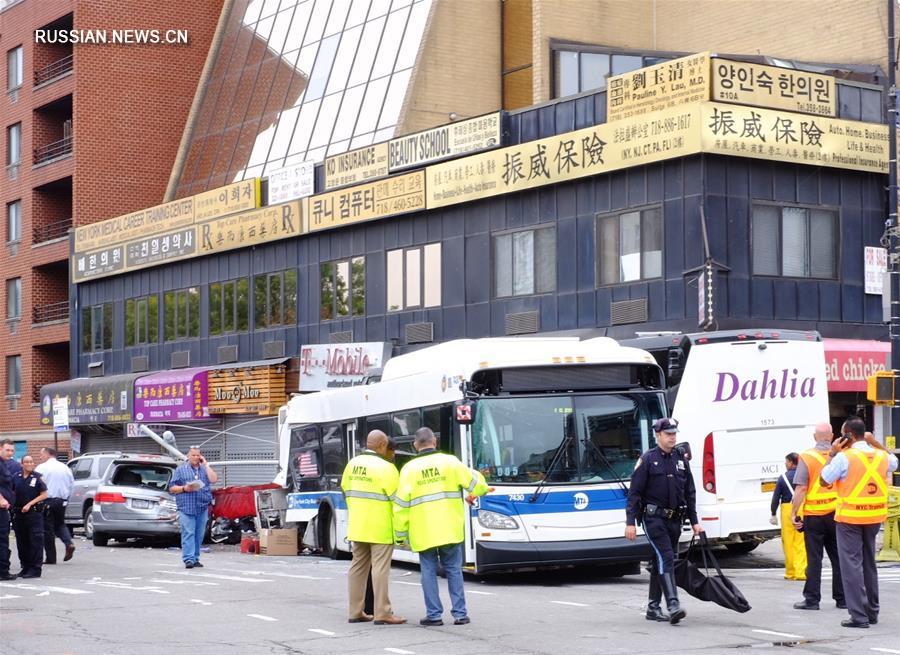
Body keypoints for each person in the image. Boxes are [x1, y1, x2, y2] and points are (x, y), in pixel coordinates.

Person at [393, 427, 491, 627]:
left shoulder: (409, 469)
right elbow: (478, 486)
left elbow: (401, 506)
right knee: (454, 570)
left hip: (423, 531)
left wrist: (400, 535)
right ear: (435, 441)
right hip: (449, 528)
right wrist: (478, 479)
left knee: (428, 572)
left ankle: (434, 615)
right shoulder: (451, 462)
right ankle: (460, 614)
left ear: (415, 445)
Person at [821, 417, 898, 628]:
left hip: (850, 519)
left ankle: (859, 616)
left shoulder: (843, 457)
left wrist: (832, 453)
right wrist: (875, 442)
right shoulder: (881, 455)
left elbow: (824, 480)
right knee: (868, 564)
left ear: (848, 435)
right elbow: (895, 462)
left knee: (851, 567)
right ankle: (872, 612)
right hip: (874, 517)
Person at [625, 418, 701, 625]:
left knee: (660, 560)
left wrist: (694, 521)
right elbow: (634, 493)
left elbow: (689, 491)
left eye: (674, 434)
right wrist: (630, 522)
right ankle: (673, 605)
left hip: (675, 520)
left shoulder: (680, 458)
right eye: (668, 434)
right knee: (666, 557)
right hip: (653, 519)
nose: (672, 438)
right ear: (658, 435)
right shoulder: (648, 459)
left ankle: (653, 607)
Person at [341, 430, 405, 625]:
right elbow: (398, 502)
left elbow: (345, 490)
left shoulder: (352, 464)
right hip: (380, 527)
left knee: (357, 567)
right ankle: (382, 612)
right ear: (382, 445)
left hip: (358, 525)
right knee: (380, 570)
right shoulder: (387, 468)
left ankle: (355, 611)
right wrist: (401, 531)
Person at [790, 423, 845, 611]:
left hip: (813, 516)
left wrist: (793, 513)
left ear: (815, 437)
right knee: (838, 558)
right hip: (836, 514)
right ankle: (842, 599)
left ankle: (812, 600)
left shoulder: (806, 457)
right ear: (832, 436)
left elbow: (801, 488)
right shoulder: (842, 456)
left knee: (814, 559)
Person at [168, 446, 218, 569]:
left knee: (199, 534)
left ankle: (195, 558)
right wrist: (184, 488)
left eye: (198, 455)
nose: (195, 457)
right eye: (193, 455)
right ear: (188, 456)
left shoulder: (204, 469)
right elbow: (172, 488)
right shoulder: (181, 470)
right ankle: (188, 559)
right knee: (188, 532)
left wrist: (206, 465)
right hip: (186, 506)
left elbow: (213, 479)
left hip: (202, 506)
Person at [35, 447, 75, 564]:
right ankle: (69, 543)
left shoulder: (41, 468)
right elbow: (72, 485)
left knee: (47, 530)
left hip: (47, 501)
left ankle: (51, 557)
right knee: (60, 524)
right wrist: (66, 499)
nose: (40, 457)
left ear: (48, 454)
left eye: (41, 454)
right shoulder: (65, 468)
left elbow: (37, 484)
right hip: (61, 501)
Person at [769, 452, 806, 580]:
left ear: (790, 462)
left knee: (788, 541)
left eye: (786, 462)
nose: (785, 464)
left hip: (787, 510)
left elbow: (775, 498)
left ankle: (790, 572)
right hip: (802, 508)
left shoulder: (783, 478)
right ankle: (801, 572)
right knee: (801, 542)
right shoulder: (804, 475)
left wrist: (773, 513)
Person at [13, 455, 48, 578]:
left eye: (31, 462)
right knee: (22, 542)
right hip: (19, 513)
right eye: (26, 462)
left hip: (33, 513)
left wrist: (30, 504)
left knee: (35, 541)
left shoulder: (37, 477)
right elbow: (11, 491)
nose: (29, 464)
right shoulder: (16, 477)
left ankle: (35, 569)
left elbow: (44, 495)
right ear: (22, 464)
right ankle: (25, 567)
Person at [0, 439, 20, 580]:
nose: (10, 453)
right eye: (7, 450)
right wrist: (1, 499)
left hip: (4, 509)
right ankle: (2, 572)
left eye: (12, 450)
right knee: (2, 539)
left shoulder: (4, 464)